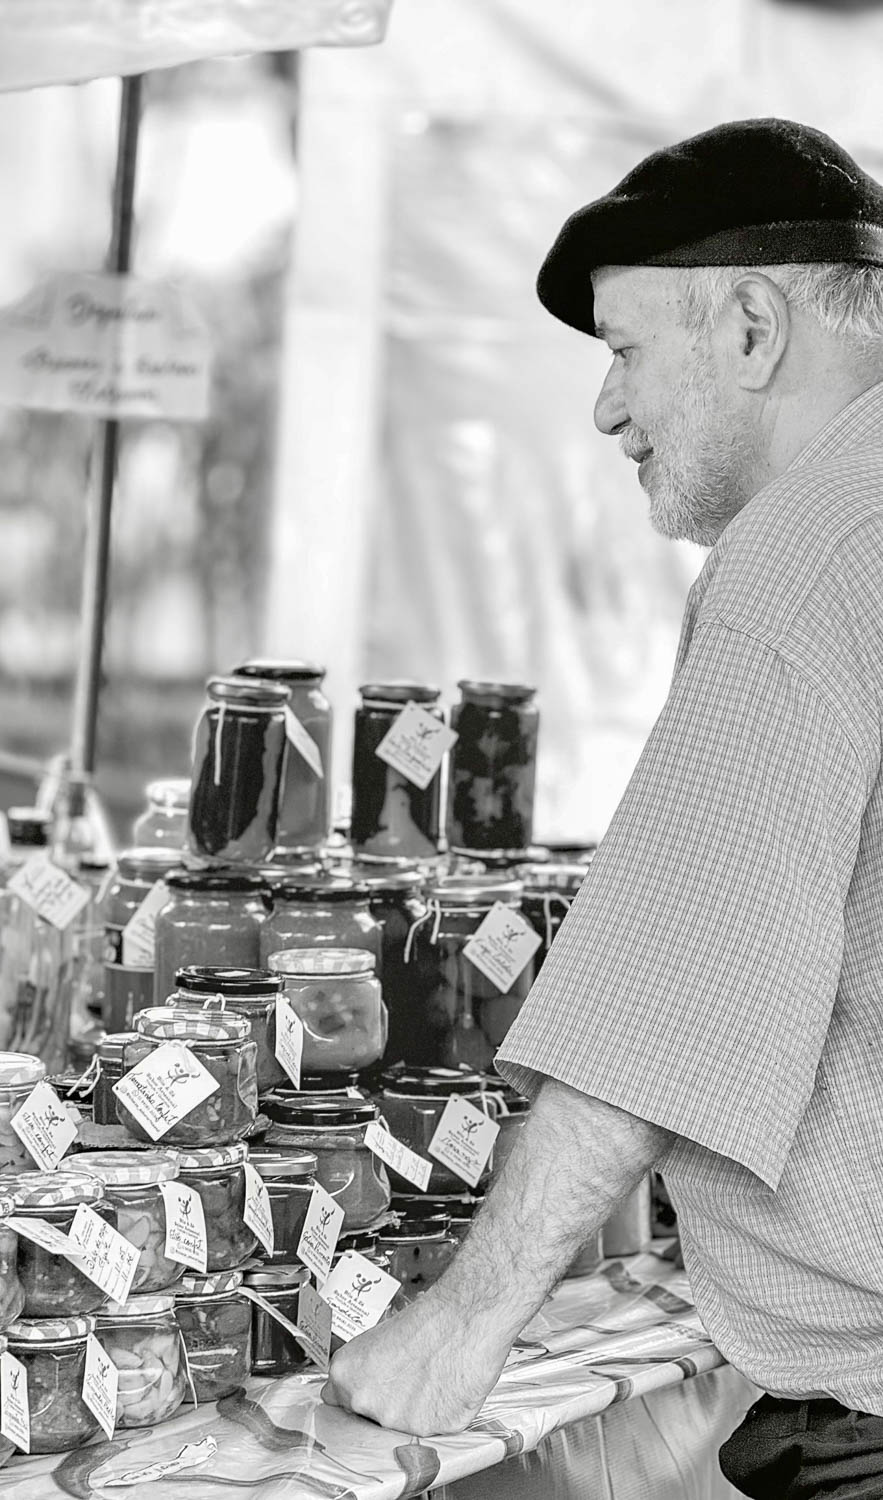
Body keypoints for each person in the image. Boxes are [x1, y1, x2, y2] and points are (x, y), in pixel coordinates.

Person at [323, 117, 883, 1500]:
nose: (607, 411)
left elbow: (678, 993)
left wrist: (461, 1325)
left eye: (626, 351)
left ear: (752, 328)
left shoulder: (808, 556)